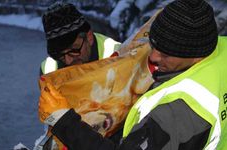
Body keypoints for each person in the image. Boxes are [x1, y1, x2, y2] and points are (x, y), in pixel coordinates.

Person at [38, 0, 227, 149]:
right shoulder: (221, 50)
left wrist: (63, 120)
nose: (152, 57)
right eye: (154, 46)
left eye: (165, 53)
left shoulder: (175, 113)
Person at [40, 2, 121, 75]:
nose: (68, 61)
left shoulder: (120, 57)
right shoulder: (49, 71)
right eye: (60, 54)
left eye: (73, 50)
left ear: (89, 37)